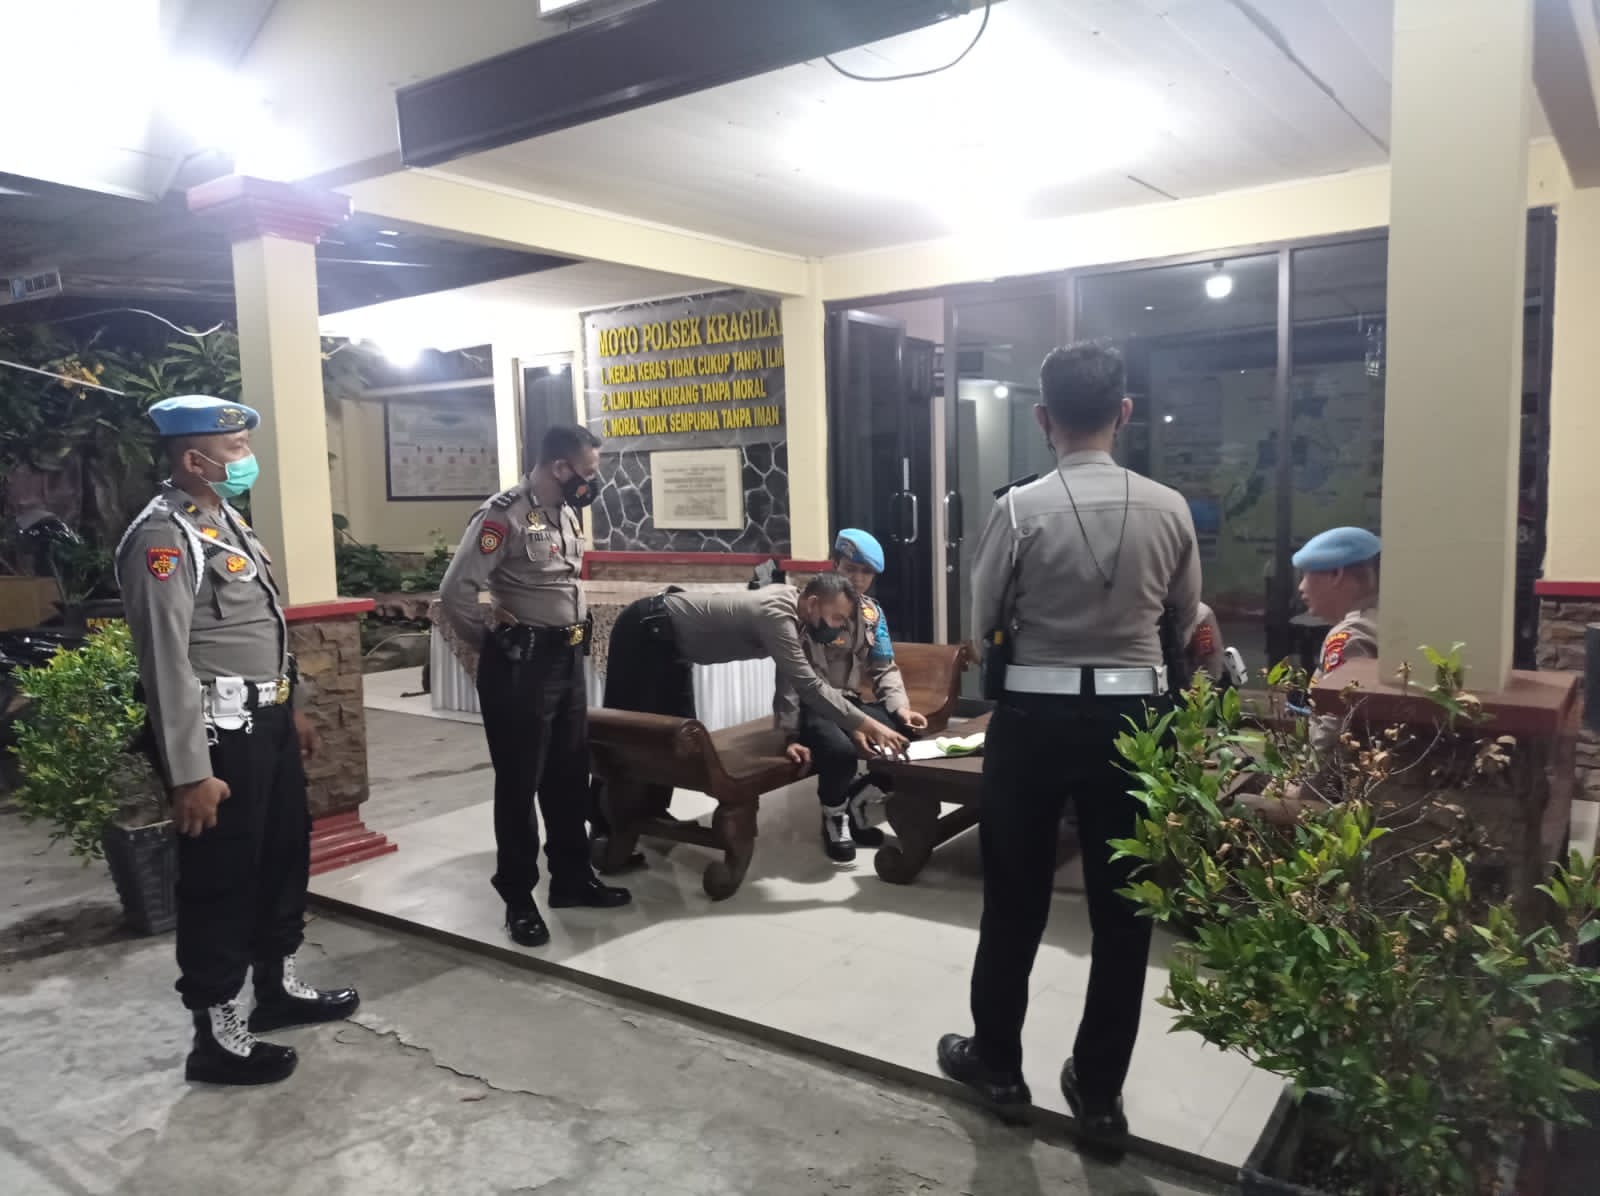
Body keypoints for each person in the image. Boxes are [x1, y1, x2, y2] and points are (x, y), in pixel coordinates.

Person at [935, 343, 1201, 1158]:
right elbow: (1183, 619)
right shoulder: (1170, 508)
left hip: (1032, 721)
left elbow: (983, 623)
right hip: (1135, 724)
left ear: (1043, 417)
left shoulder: (1018, 509)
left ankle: (998, 1067)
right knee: (1124, 913)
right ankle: (1100, 1097)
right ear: (1124, 413)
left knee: (1014, 898)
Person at [117, 395, 358, 1087]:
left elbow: (264, 626)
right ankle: (216, 1034)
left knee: (282, 857)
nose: (246, 458)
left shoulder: (223, 521)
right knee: (221, 879)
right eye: (234, 449)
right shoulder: (163, 536)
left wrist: (294, 707)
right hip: (218, 738)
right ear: (194, 460)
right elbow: (165, 661)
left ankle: (276, 989)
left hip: (267, 723)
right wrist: (189, 772)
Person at [438, 424, 630, 950]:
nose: (592, 482)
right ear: (559, 467)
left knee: (569, 774)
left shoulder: (565, 511)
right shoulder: (502, 514)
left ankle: (572, 878)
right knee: (520, 783)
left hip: (565, 659)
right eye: (587, 472)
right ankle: (518, 898)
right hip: (522, 666)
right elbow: (455, 591)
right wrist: (493, 644)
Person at [598, 574, 912, 828]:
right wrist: (869, 725)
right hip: (645, 631)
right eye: (836, 618)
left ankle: (651, 813)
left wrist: (790, 735)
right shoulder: (776, 615)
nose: (839, 627)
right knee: (627, 735)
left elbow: (791, 678)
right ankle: (603, 824)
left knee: (673, 733)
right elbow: (809, 685)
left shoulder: (798, 615)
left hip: (672, 647)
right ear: (814, 603)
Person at [774, 528, 928, 863]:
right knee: (840, 752)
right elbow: (788, 677)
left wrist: (901, 709)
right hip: (814, 707)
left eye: (866, 572)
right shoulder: (807, 608)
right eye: (850, 568)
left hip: (851, 703)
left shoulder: (872, 615)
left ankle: (857, 800)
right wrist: (789, 734)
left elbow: (884, 667)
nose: (857, 579)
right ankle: (834, 817)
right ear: (835, 565)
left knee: (909, 740)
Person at [1240, 527, 1381, 824]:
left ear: (1336, 574)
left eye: (1306, 575)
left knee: (1241, 809)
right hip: (1364, 784)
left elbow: (1335, 728)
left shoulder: (1351, 635)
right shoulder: (1379, 618)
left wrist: (1304, 790)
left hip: (1343, 795)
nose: (1301, 588)